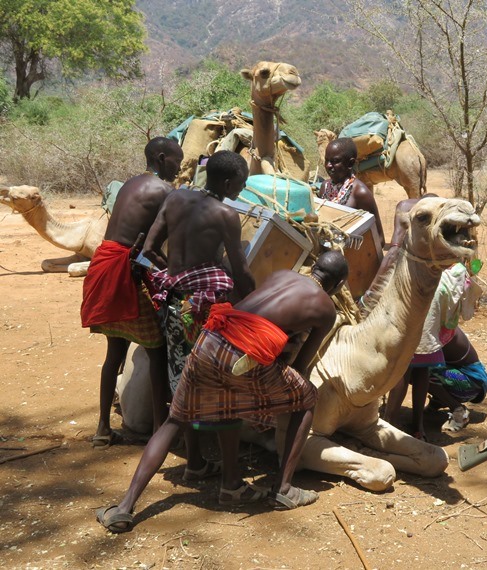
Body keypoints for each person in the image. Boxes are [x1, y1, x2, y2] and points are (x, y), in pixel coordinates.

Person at [95, 252, 349, 533]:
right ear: (337, 286)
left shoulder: (282, 274)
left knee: (174, 421)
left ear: (313, 268)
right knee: (306, 397)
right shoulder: (326, 309)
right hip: (240, 354)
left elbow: (257, 315)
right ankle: (285, 489)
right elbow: (300, 366)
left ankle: (124, 508)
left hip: (212, 336)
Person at [81, 137, 183, 448]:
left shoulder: (129, 184)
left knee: (115, 353)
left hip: (105, 264)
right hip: (125, 270)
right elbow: (162, 242)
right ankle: (157, 431)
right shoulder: (164, 191)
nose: (179, 168)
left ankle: (102, 427)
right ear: (162, 158)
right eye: (177, 161)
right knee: (156, 348)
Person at [143, 150, 256, 394]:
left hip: (172, 302)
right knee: (206, 376)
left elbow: (149, 249)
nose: (244, 187)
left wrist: (177, 277)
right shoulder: (226, 215)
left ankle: (181, 425)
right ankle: (200, 425)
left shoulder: (175, 198)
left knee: (180, 372)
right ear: (227, 184)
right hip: (202, 308)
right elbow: (240, 271)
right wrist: (255, 308)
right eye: (242, 182)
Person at [384, 261, 480, 440]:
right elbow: (474, 265)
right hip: (465, 377)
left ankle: (456, 408)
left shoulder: (436, 328)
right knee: (422, 369)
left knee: (405, 369)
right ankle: (418, 426)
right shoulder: (442, 320)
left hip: (470, 382)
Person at [318, 137, 385, 247]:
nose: (329, 165)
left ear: (350, 163)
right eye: (327, 160)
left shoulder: (360, 193)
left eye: (335, 161)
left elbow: (379, 239)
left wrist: (347, 245)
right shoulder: (325, 187)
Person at [427, 327, 487, 431]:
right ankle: (439, 400)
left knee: (420, 369)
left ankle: (458, 410)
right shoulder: (438, 323)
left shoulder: (437, 329)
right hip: (470, 379)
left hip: (472, 381)